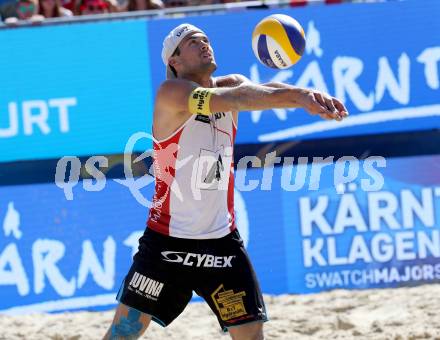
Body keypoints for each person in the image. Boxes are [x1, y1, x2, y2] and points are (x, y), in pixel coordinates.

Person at [103, 23, 348, 340]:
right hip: (165, 244)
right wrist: (298, 96)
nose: (205, 43)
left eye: (206, 38)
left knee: (251, 336)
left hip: (222, 242)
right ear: (174, 62)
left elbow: (260, 91)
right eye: (193, 41)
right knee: (123, 332)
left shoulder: (231, 84)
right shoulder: (172, 94)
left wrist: (309, 96)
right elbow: (237, 98)